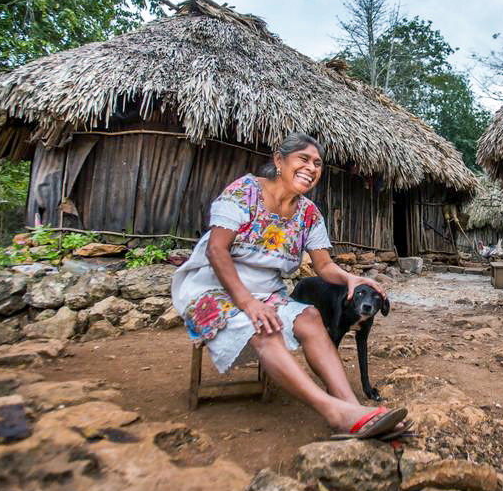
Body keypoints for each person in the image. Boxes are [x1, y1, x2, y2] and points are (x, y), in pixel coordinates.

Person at [171, 132, 407, 438]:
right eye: (304, 159)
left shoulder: (309, 213)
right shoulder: (245, 192)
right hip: (214, 287)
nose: (312, 168)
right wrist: (248, 303)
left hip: (266, 292)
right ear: (279, 161)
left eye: (318, 163)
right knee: (264, 325)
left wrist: (350, 278)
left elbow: (323, 266)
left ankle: (353, 409)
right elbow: (217, 251)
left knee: (310, 317)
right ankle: (334, 413)